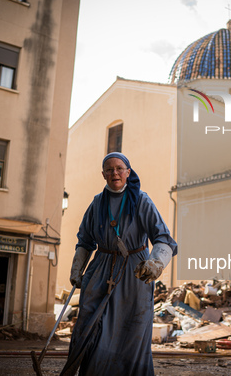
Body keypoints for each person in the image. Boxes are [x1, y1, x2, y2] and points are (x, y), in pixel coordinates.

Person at [60, 152, 177, 376]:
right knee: (90, 327)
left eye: (119, 168)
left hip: (135, 273)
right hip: (100, 271)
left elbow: (163, 237)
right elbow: (84, 240)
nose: (115, 173)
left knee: (131, 332)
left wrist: (155, 263)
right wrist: (77, 269)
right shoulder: (96, 203)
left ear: (128, 172)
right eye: (109, 169)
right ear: (103, 174)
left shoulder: (142, 200)